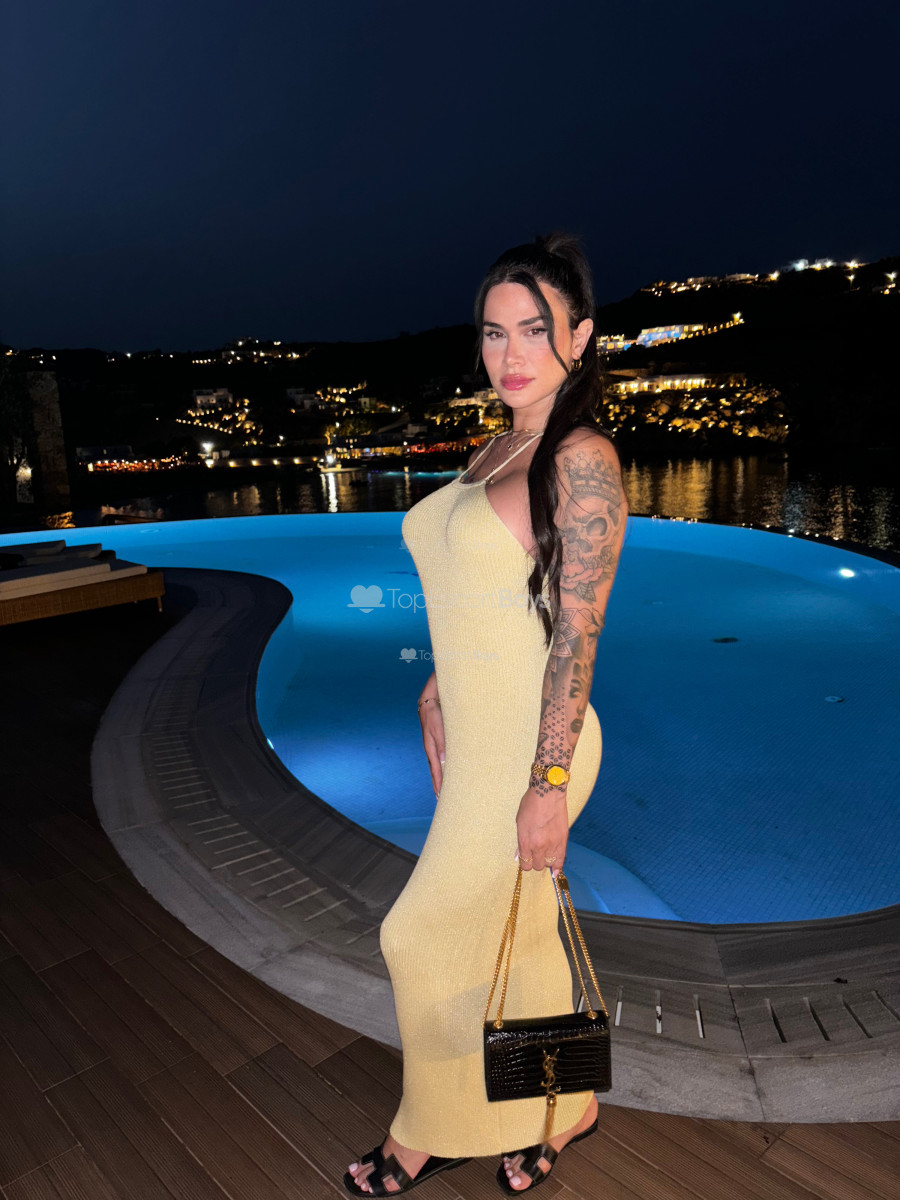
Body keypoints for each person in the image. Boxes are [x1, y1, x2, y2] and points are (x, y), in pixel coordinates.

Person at [344, 233, 628, 1195]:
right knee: (526, 933)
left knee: (415, 935)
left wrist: (547, 784)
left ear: (580, 338)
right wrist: (438, 683)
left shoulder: (581, 460)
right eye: (495, 331)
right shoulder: (497, 445)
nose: (511, 353)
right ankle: (566, 1106)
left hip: (533, 750)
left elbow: (575, 637)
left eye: (536, 330)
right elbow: (487, 598)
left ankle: (424, 1131)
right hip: (477, 734)